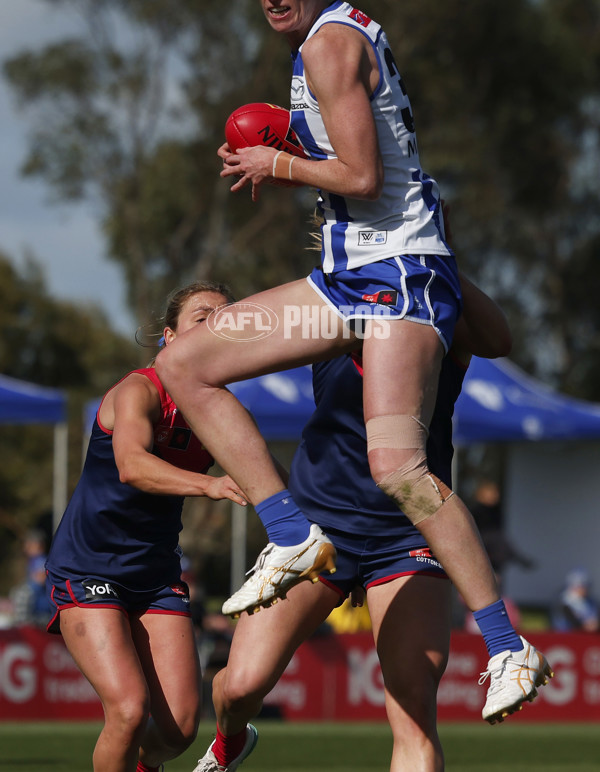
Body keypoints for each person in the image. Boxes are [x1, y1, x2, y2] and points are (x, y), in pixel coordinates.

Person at [156, 0, 547, 715]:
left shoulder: (328, 47)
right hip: (352, 275)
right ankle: (292, 530)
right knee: (184, 362)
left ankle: (509, 645)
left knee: (398, 470)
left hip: (397, 275)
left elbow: (364, 175)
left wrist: (280, 161)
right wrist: (293, 142)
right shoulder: (329, 45)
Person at [192, 273, 551, 772]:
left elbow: (500, 340)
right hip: (318, 530)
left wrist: (438, 258)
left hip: (411, 535)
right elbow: (213, 364)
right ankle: (229, 742)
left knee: (414, 702)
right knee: (241, 686)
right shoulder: (324, 307)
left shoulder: (438, 309)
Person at [44, 282, 249, 772]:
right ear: (169, 337)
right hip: (87, 568)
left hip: (154, 576)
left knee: (177, 730)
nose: (216, 325)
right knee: (129, 711)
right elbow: (132, 465)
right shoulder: (137, 390)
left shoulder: (217, 408)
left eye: (227, 318)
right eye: (203, 316)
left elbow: (269, 478)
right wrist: (210, 486)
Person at [551, 567, 600, 632]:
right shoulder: (564, 601)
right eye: (582, 586)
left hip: (587, 637)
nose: (585, 589)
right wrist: (584, 625)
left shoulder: (591, 602)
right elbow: (571, 621)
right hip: (567, 637)